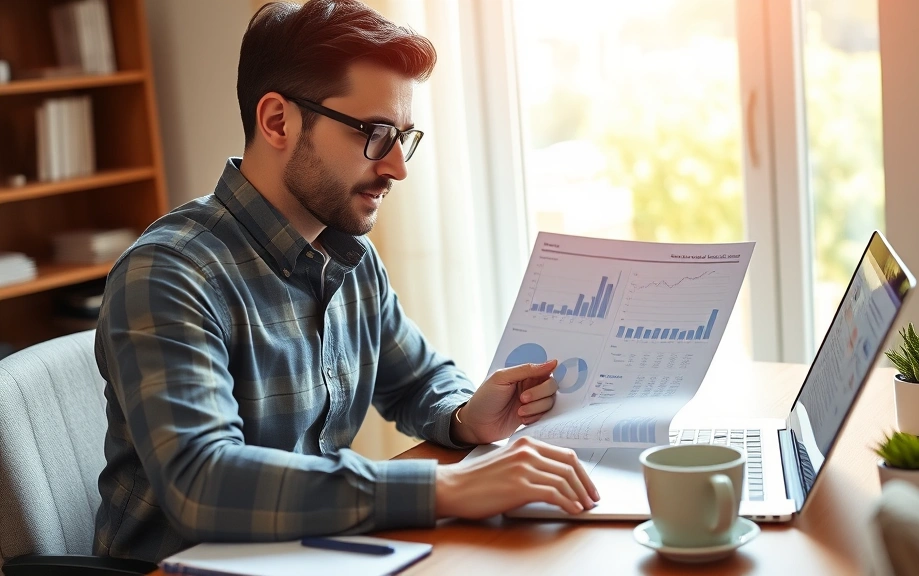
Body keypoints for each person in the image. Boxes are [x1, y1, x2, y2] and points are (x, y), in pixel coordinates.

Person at [93, 0, 598, 564]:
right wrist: (446, 488)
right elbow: (201, 481)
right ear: (278, 120)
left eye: (404, 137)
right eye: (376, 133)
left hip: (309, 555)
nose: (397, 167)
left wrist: (463, 415)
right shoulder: (169, 274)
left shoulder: (351, 258)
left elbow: (415, 381)